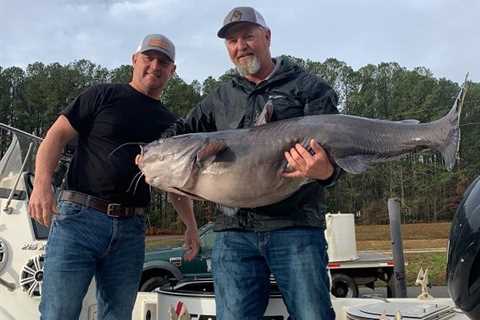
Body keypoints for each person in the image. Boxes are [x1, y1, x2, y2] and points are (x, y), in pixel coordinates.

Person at [161, 7, 340, 320]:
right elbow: (179, 132)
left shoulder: (308, 87)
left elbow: (341, 149)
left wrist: (327, 173)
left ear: (267, 37)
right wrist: (149, 151)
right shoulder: (219, 97)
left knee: (313, 315)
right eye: (232, 40)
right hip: (233, 234)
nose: (240, 45)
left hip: (295, 228)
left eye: (248, 36)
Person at [28, 34, 200, 320]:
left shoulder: (172, 124)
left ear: (172, 71)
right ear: (135, 60)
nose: (155, 65)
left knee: (118, 315)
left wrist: (191, 226)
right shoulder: (102, 95)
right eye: (149, 57)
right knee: (58, 313)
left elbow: (175, 184)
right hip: (78, 221)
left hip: (131, 230)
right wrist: (42, 183)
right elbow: (56, 136)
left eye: (164, 61)